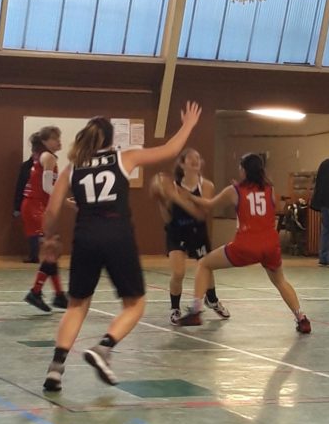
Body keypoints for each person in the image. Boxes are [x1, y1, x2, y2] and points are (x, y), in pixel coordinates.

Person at [41, 102, 201, 393]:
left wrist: (49, 238)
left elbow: (51, 212)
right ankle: (104, 348)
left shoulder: (72, 168)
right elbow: (169, 150)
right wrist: (188, 124)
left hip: (85, 237)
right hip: (118, 236)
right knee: (135, 303)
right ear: (111, 139)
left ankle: (55, 368)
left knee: (76, 305)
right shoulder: (124, 157)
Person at [174, 152, 311, 334]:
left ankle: (196, 311)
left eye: (240, 167)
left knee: (204, 264)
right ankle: (301, 318)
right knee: (280, 281)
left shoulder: (234, 190)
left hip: (246, 244)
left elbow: (209, 204)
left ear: (244, 170)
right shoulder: (270, 190)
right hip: (270, 245)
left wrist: (189, 196)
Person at [155, 147, 230, 324]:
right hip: (176, 232)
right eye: (190, 158)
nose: (195, 160)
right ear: (182, 164)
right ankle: (175, 308)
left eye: (198, 157)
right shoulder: (172, 187)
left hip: (197, 232)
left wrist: (181, 197)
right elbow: (167, 218)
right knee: (178, 272)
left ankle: (212, 300)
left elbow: (202, 214)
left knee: (207, 268)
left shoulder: (206, 186)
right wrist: (161, 200)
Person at [22, 127, 68, 311]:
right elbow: (47, 187)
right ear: (45, 141)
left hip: (37, 205)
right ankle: (36, 292)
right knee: (51, 249)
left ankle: (58, 295)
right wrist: (66, 200)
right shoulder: (48, 157)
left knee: (52, 251)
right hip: (36, 206)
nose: (59, 141)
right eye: (55, 138)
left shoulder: (43, 156)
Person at [13, 143, 37, 261]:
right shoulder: (26, 166)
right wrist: (17, 207)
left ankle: (43, 255)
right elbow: (20, 186)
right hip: (29, 201)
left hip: (41, 201)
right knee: (32, 229)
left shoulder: (47, 164)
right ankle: (34, 255)